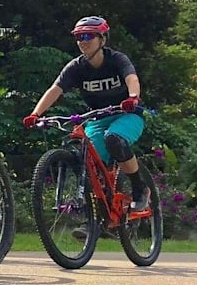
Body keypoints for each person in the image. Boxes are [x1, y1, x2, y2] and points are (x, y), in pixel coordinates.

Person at [21, 15, 149, 212]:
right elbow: (55, 90)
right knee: (88, 162)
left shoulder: (117, 59)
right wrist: (35, 114)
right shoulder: (76, 67)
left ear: (102, 39)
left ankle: (140, 189)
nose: (83, 41)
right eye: (79, 37)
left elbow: (132, 78)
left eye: (88, 36)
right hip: (97, 118)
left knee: (115, 139)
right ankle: (95, 215)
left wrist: (133, 98)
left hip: (127, 115)